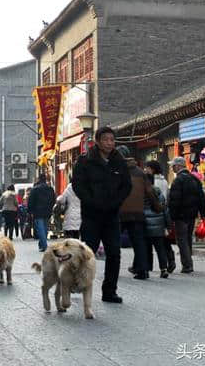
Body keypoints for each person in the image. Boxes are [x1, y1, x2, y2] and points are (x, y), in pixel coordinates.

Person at [73, 126, 131, 304]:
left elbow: (126, 186)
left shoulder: (119, 161)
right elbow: (78, 185)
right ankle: (80, 283)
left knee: (114, 253)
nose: (109, 143)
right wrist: (91, 201)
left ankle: (110, 291)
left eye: (112, 140)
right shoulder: (85, 161)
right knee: (86, 253)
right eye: (106, 139)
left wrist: (116, 202)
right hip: (91, 215)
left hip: (112, 215)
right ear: (97, 141)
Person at [117, 146, 160, 280]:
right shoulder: (140, 172)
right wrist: (157, 207)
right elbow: (150, 192)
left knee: (113, 243)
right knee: (139, 243)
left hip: (118, 212)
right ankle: (143, 270)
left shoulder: (115, 171)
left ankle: (112, 270)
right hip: (137, 213)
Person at [167, 156, 205, 274]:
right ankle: (189, 263)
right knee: (188, 239)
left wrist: (172, 217)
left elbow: (174, 201)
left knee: (182, 240)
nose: (172, 168)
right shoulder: (194, 179)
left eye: (173, 166)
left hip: (181, 216)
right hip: (192, 215)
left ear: (179, 166)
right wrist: (203, 214)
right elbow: (202, 198)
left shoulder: (178, 181)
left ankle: (187, 265)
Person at [145, 160, 175, 273]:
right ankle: (167, 265)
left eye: (147, 168)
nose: (145, 170)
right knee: (162, 245)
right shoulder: (164, 181)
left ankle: (148, 266)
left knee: (150, 245)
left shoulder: (151, 186)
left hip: (150, 219)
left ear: (152, 169)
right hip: (160, 217)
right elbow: (165, 201)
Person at [144, 175, 171, 278]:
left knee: (147, 249)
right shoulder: (159, 193)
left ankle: (146, 269)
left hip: (146, 224)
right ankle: (163, 269)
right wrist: (168, 225)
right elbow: (165, 210)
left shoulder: (142, 193)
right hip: (159, 225)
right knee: (160, 249)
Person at [28, 174, 56, 252]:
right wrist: (51, 208)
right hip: (47, 211)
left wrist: (30, 211)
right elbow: (53, 200)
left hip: (38, 212)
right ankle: (42, 244)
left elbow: (30, 201)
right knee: (45, 228)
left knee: (40, 229)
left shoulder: (35, 189)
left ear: (38, 179)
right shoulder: (50, 189)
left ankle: (44, 246)